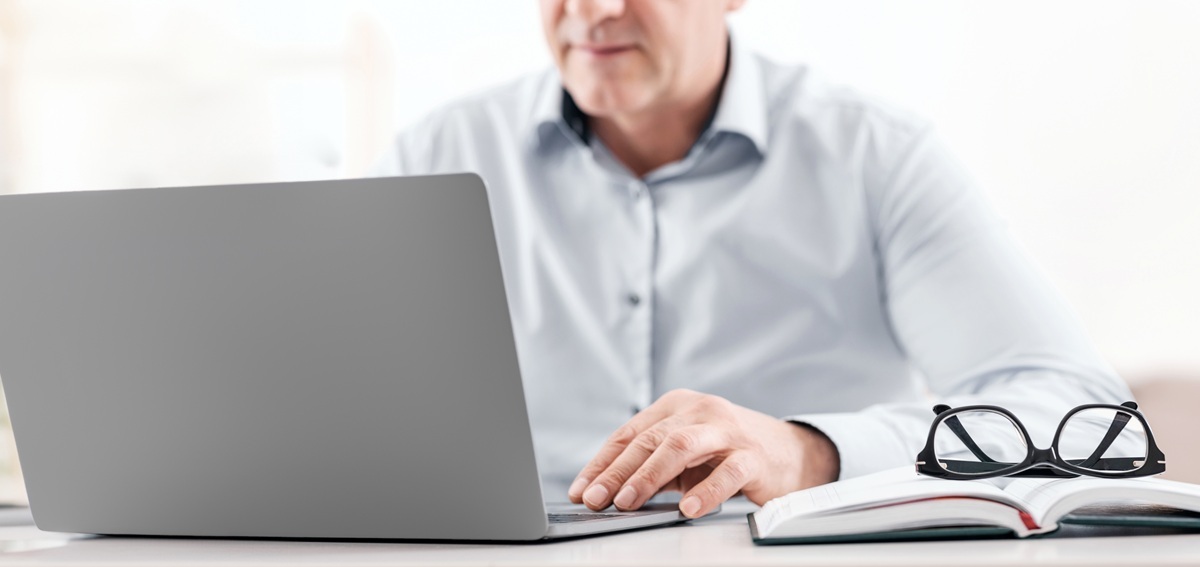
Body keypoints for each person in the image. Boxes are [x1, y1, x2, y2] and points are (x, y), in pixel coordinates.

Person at [372, 0, 1132, 519]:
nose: (594, 11)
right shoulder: (439, 155)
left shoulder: (876, 155)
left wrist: (809, 452)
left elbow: (1080, 417)